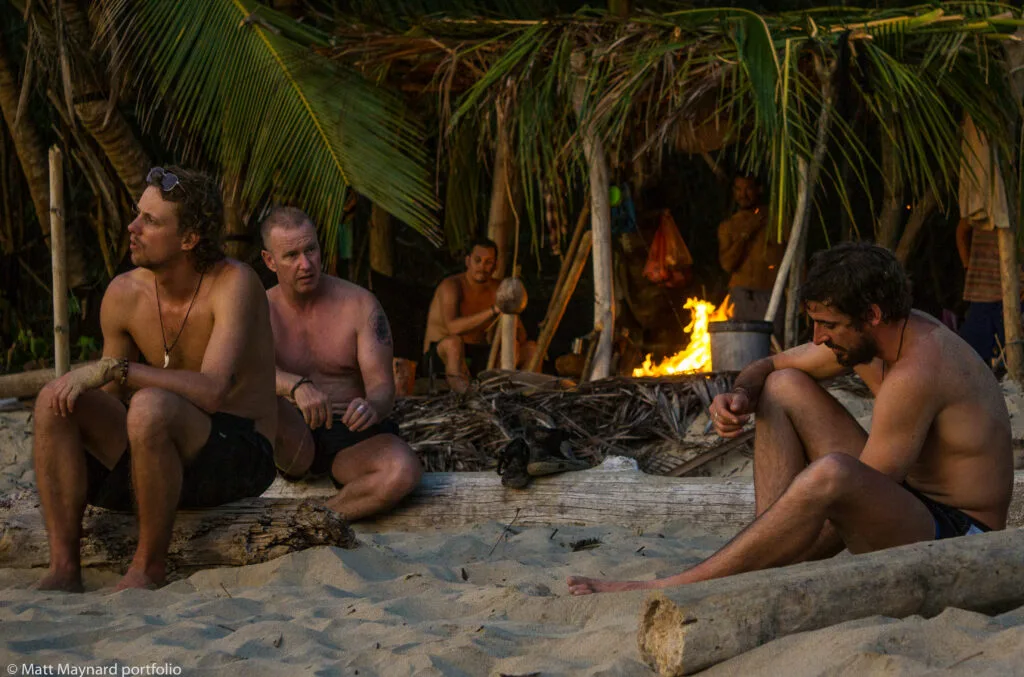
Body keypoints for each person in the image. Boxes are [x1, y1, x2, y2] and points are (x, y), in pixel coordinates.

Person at [568, 243, 1012, 595]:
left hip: (961, 536)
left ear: (872, 315)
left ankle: (695, 579)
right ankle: (764, 553)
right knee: (781, 387)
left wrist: (768, 551)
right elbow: (770, 366)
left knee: (833, 475)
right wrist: (740, 395)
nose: (818, 337)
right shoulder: (875, 336)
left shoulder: (918, 369)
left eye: (829, 325)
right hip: (911, 502)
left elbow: (847, 502)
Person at [33, 167, 278, 592]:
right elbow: (109, 400)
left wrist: (122, 371)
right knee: (54, 400)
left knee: (148, 406)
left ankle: (148, 568)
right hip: (159, 449)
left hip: (238, 453)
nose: (132, 227)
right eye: (136, 214)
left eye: (150, 220)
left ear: (189, 239)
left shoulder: (234, 283)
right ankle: (63, 569)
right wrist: (86, 396)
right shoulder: (124, 294)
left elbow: (213, 391)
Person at [261, 207, 422, 520]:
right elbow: (240, 375)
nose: (305, 264)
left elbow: (381, 387)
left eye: (311, 250)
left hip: (349, 437)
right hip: (291, 438)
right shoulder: (258, 309)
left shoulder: (359, 304)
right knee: (261, 397)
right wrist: (293, 386)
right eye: (291, 255)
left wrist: (371, 406)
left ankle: (314, 519)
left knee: (403, 469)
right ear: (269, 261)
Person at [421, 238, 536, 392]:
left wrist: (513, 307)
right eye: (478, 260)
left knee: (530, 348)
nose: (482, 267)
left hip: (481, 355)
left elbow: (521, 337)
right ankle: (467, 396)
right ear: (468, 261)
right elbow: (452, 328)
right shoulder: (451, 286)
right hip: (443, 356)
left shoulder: (498, 288)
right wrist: (493, 310)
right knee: (453, 343)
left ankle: (513, 394)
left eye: (488, 262)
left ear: (495, 266)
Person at [717, 174, 786, 333]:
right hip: (741, 296)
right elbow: (727, 264)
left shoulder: (777, 220)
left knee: (773, 347)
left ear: (759, 189)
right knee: (742, 346)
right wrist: (746, 234)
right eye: (738, 189)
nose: (743, 194)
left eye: (748, 188)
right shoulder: (729, 226)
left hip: (771, 295)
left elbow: (794, 258)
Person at [955, 217, 1024, 364]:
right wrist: (968, 267)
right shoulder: (983, 201)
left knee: (1015, 354)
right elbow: (961, 231)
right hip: (982, 290)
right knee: (973, 357)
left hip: (1014, 293)